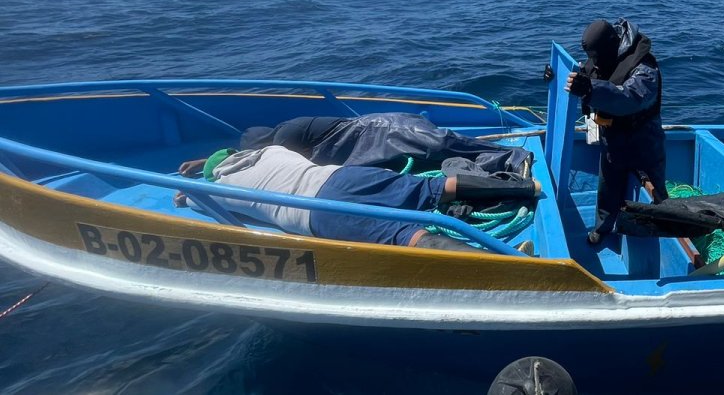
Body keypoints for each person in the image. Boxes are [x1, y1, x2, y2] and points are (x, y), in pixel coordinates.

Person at [176, 145, 541, 252]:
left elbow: (197, 199)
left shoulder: (220, 188)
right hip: (341, 176)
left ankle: (512, 265)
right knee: (431, 189)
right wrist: (204, 160)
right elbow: (231, 153)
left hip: (319, 214)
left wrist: (186, 196)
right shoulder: (270, 151)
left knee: (402, 235)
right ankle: (526, 189)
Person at [565, 18, 666, 245]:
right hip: (613, 141)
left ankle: (663, 237)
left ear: (612, 45)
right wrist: (556, 77)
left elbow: (628, 98)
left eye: (598, 57)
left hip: (645, 144)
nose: (595, 63)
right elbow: (584, 72)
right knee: (607, 190)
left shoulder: (644, 68)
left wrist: (591, 89)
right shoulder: (603, 59)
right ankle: (603, 227)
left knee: (656, 196)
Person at [239, 112, 532, 176]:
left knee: (440, 144)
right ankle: (496, 165)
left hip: (380, 131)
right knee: (431, 158)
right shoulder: (283, 130)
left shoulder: (284, 137)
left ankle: (512, 158)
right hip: (363, 144)